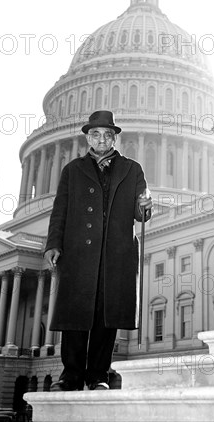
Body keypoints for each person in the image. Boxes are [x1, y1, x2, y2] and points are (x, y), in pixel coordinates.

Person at [44, 110, 152, 391]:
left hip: (115, 254)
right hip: (78, 253)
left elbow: (140, 214)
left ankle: (98, 376)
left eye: (107, 134)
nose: (101, 138)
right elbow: (60, 211)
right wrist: (53, 244)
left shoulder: (132, 169)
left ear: (114, 137)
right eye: (95, 134)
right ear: (87, 137)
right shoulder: (72, 170)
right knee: (75, 316)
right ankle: (71, 375)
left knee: (107, 317)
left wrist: (144, 205)